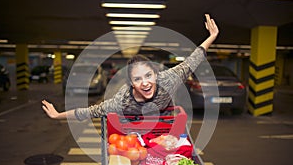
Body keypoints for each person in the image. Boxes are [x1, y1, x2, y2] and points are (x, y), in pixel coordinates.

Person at [42, 14, 219, 121]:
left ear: (156, 75)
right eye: (137, 79)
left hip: (163, 126)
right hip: (135, 130)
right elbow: (90, 111)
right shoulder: (122, 102)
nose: (145, 83)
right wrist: (59, 115)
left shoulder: (168, 79)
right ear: (131, 83)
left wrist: (212, 36)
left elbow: (192, 60)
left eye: (148, 75)